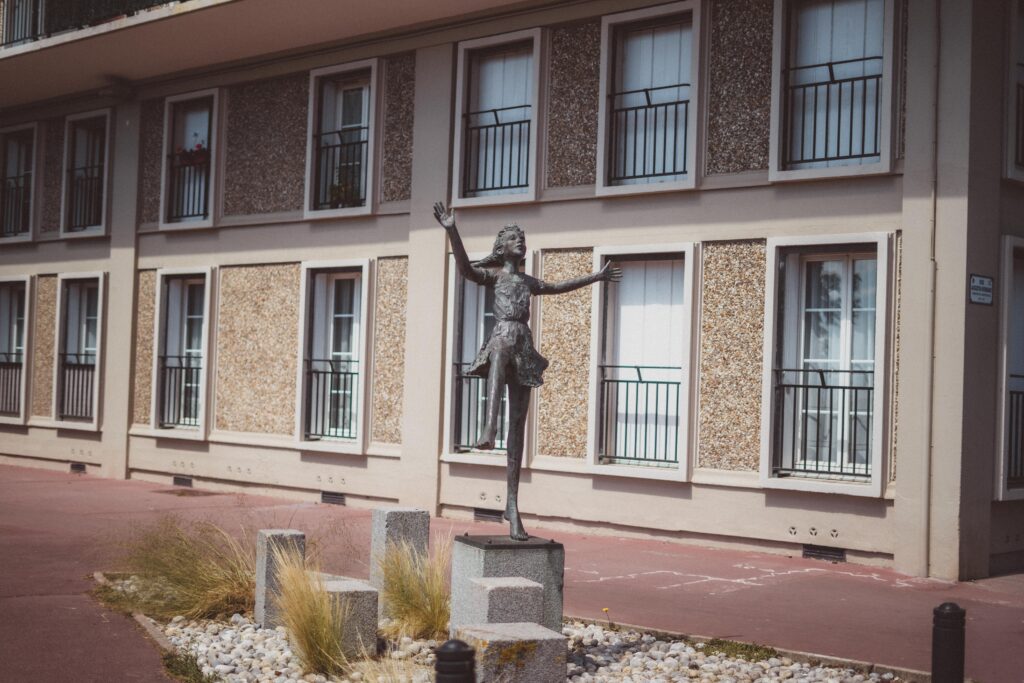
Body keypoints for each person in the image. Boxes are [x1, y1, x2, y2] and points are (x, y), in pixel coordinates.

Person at [433, 202, 621, 540]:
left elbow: (559, 286)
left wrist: (597, 276)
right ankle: (489, 426)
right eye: (514, 238)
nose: (521, 241)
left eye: (523, 237)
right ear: (501, 247)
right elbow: (464, 269)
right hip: (504, 336)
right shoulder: (494, 276)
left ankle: (512, 503)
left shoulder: (528, 281)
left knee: (518, 426)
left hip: (524, 345)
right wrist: (451, 230)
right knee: (501, 344)